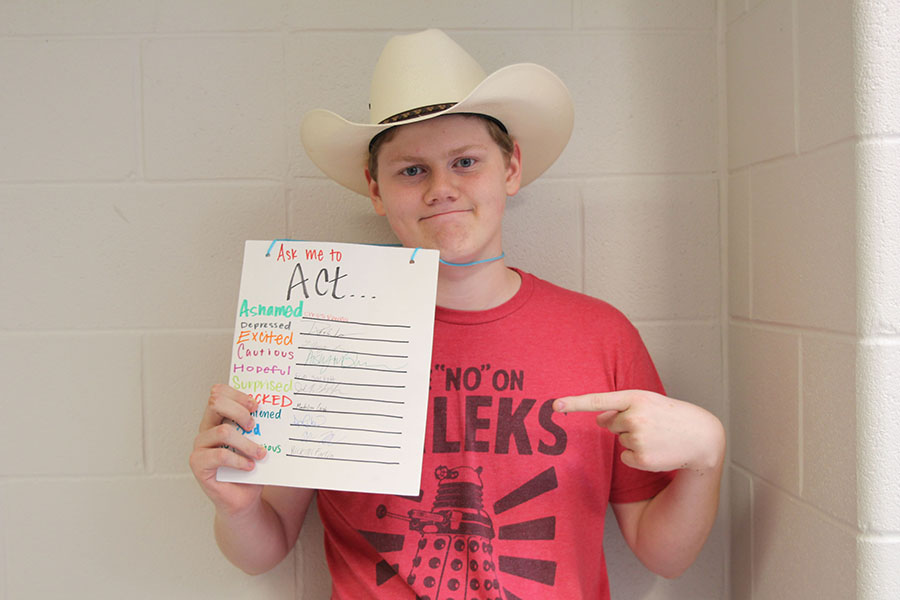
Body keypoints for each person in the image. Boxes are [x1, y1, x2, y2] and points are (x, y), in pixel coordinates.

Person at [190, 29, 725, 599]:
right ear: (376, 189)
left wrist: (706, 457)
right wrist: (238, 506)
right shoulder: (322, 334)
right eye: (411, 170)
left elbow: (662, 553)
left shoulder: (600, 335)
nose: (442, 189)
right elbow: (263, 550)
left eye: (466, 162)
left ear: (510, 168)